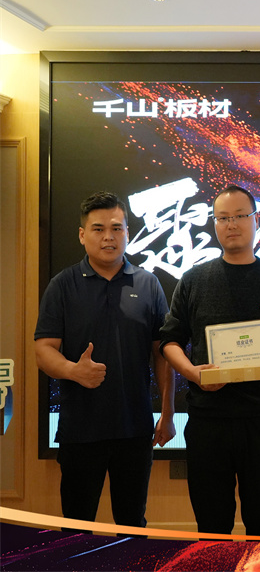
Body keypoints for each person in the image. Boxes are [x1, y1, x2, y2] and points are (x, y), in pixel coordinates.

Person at [159, 185, 260, 537]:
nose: (232, 224)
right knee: (211, 529)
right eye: (223, 218)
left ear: (256, 220)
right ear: (214, 224)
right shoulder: (193, 280)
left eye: (240, 216)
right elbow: (170, 341)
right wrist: (193, 373)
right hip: (208, 420)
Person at [34, 191, 175, 528]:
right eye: (98, 229)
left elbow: (163, 354)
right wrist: (74, 371)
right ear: (82, 235)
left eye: (116, 228)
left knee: (132, 524)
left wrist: (168, 413)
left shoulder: (148, 284)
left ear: (127, 233)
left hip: (135, 429)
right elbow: (44, 350)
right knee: (77, 526)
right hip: (80, 430)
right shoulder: (62, 285)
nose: (108, 237)